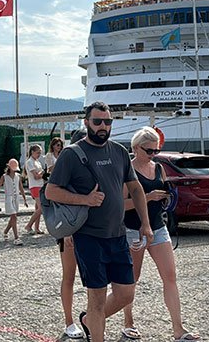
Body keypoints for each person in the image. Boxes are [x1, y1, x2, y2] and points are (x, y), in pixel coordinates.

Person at [46, 102, 153, 342]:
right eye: (98, 121)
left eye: (108, 122)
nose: (103, 126)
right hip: (89, 237)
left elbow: (135, 188)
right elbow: (51, 192)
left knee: (126, 293)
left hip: (117, 234)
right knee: (96, 297)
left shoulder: (119, 152)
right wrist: (84, 199)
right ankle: (95, 329)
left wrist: (145, 223)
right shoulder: (71, 154)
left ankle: (89, 321)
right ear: (86, 123)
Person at [121, 127, 199, 341]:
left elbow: (163, 195)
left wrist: (165, 198)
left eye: (156, 150)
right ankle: (128, 322)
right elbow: (121, 204)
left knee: (170, 276)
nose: (153, 154)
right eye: (149, 151)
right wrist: (147, 197)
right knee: (131, 279)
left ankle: (178, 328)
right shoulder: (128, 170)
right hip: (133, 230)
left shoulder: (159, 168)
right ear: (136, 148)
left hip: (157, 227)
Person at [59, 129, 86, 340]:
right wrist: (68, 232)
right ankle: (69, 321)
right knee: (69, 275)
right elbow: (58, 199)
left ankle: (93, 316)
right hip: (71, 229)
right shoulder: (66, 165)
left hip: (93, 227)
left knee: (95, 277)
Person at [0, 158, 29, 245]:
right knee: (14, 216)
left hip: (16, 198)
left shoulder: (18, 176)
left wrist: (24, 199)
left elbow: (21, 188)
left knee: (13, 217)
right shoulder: (4, 177)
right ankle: (16, 238)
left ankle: (5, 231)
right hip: (9, 198)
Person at [23, 144, 45, 235]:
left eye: (40, 153)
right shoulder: (30, 162)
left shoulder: (37, 162)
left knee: (37, 208)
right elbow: (36, 176)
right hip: (35, 186)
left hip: (39, 185)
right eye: (37, 153)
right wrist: (42, 172)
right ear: (32, 152)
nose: (39, 154)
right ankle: (29, 225)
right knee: (41, 208)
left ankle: (37, 228)